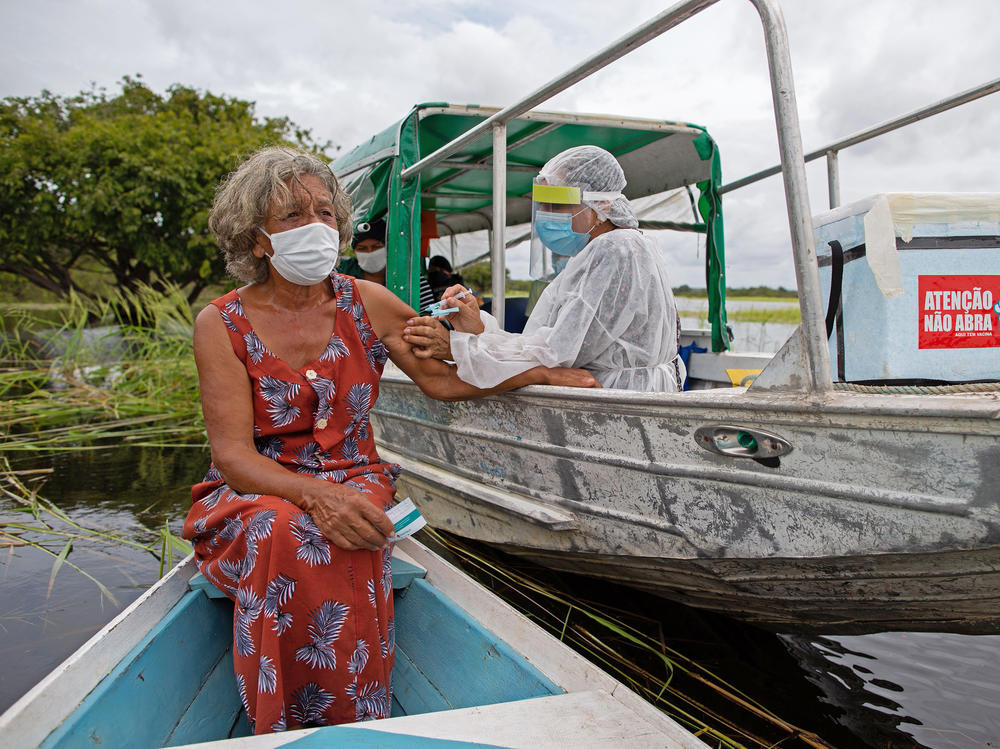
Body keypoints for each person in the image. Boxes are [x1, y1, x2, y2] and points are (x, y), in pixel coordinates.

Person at [182, 146, 599, 735]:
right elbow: (233, 456)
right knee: (282, 529)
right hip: (257, 487)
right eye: (294, 217)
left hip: (357, 476)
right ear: (256, 241)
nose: (318, 228)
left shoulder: (367, 301)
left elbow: (441, 377)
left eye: (326, 213)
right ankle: (285, 725)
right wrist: (312, 495)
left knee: (344, 528)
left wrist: (534, 373)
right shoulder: (219, 323)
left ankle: (351, 720)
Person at [402, 145, 684, 392]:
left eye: (558, 205)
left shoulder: (615, 248)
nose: (547, 215)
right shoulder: (596, 252)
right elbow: (542, 343)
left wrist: (457, 347)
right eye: (544, 205)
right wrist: (477, 328)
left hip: (616, 397)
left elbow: (556, 354)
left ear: (601, 204)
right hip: (605, 392)